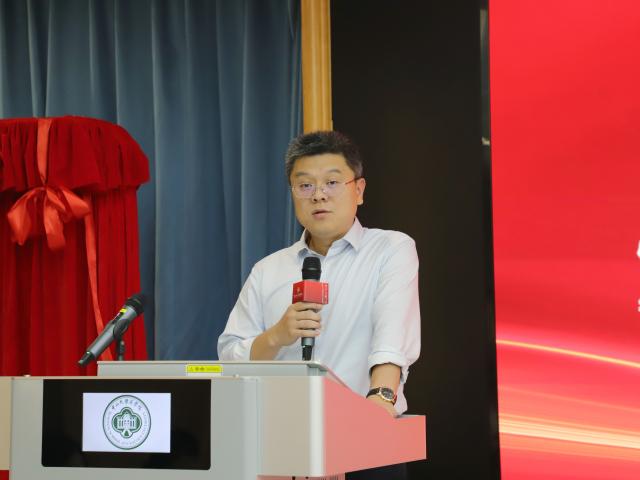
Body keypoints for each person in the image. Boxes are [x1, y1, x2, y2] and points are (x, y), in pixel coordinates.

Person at [217, 131, 420, 479]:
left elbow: (391, 336)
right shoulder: (268, 270)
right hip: (281, 445)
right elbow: (230, 357)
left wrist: (381, 399)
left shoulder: (391, 249)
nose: (319, 195)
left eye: (332, 182)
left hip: (366, 437)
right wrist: (276, 336)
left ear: (359, 190)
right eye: (305, 185)